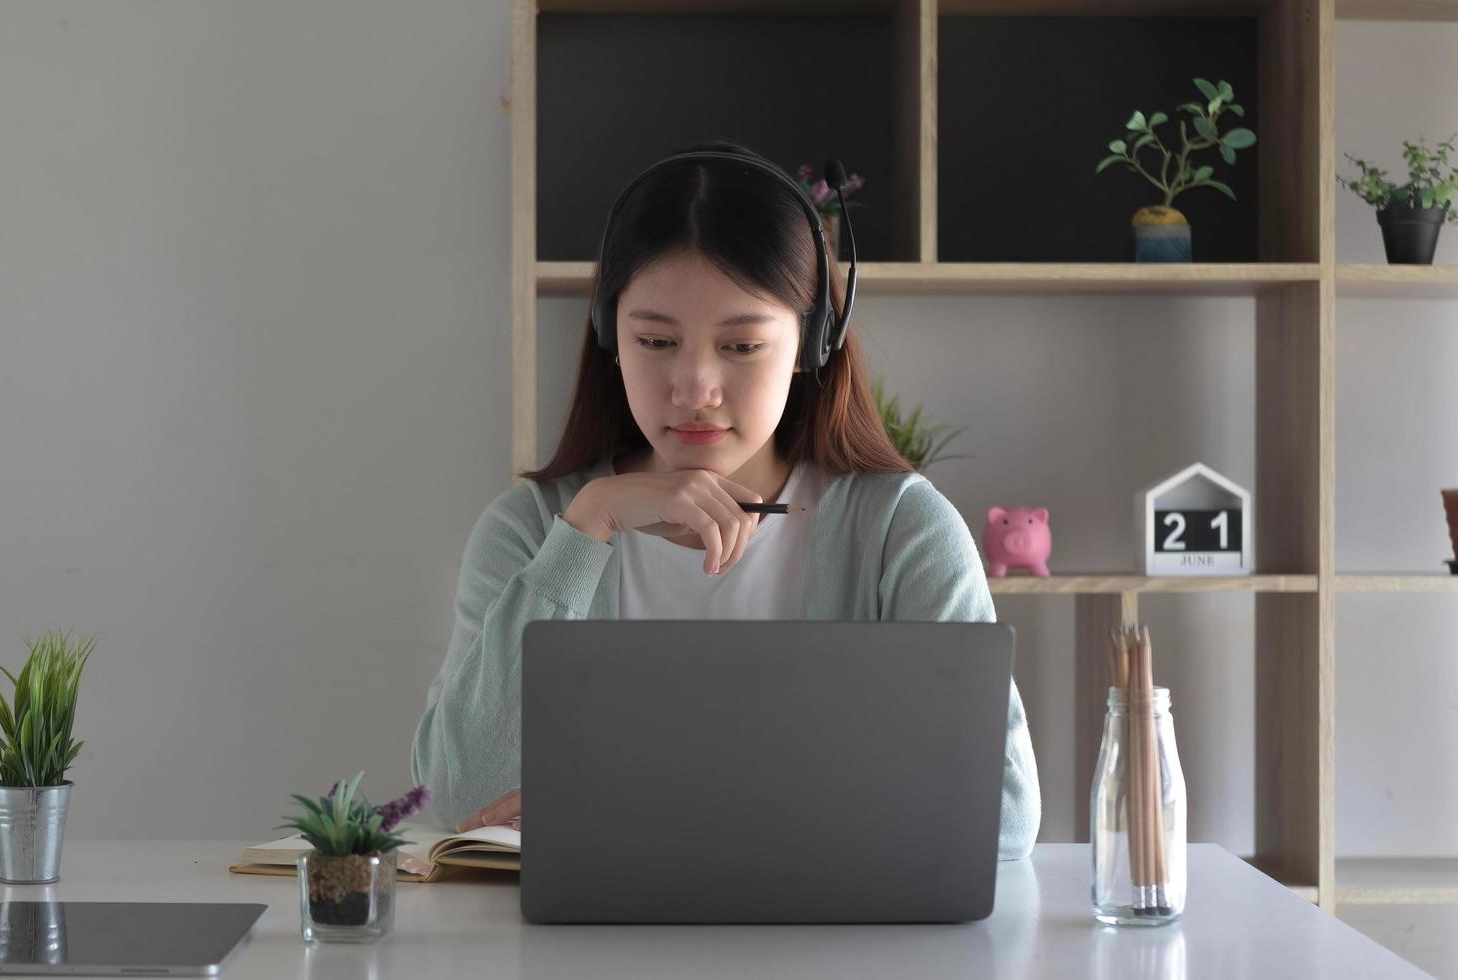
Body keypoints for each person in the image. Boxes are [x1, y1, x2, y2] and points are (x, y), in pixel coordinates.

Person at [410, 140, 1041, 859]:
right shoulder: (532, 530)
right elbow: (460, 801)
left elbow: (1002, 819)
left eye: (741, 348)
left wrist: (633, 801)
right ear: (607, 338)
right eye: (654, 340)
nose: (695, 387)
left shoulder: (902, 530)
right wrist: (585, 532)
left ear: (813, 343)